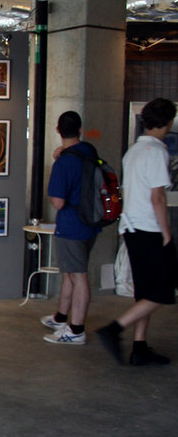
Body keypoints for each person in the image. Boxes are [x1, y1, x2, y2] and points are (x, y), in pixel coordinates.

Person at [96, 98, 177, 366]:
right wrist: (166, 233)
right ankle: (114, 329)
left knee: (145, 289)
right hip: (149, 228)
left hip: (131, 227)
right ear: (168, 121)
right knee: (162, 290)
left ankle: (139, 347)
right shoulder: (156, 152)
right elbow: (158, 198)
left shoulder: (133, 151)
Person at [42, 111, 100, 345]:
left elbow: (58, 201)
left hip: (71, 226)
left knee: (78, 275)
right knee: (70, 273)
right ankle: (61, 317)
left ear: (57, 130)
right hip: (90, 223)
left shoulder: (64, 162)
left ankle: (76, 330)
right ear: (80, 129)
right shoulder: (89, 152)